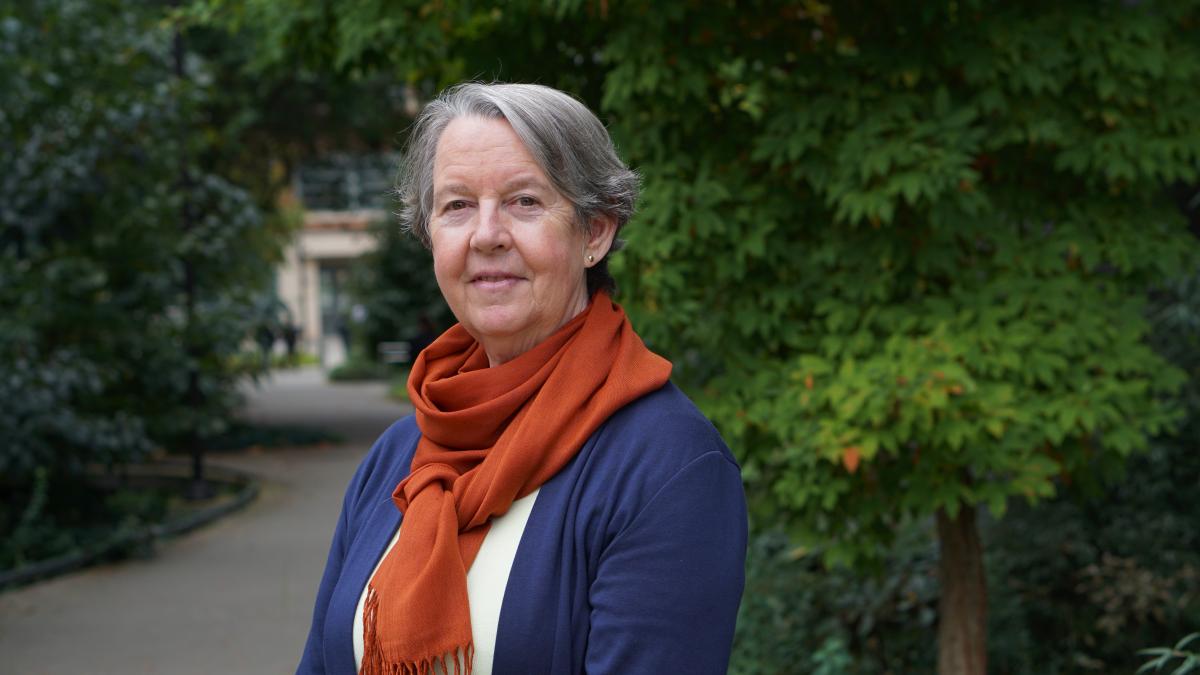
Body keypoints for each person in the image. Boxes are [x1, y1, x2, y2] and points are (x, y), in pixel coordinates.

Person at [298, 82, 747, 675]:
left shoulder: (667, 466)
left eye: (525, 202)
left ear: (595, 234)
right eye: (457, 205)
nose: (487, 234)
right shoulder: (398, 456)